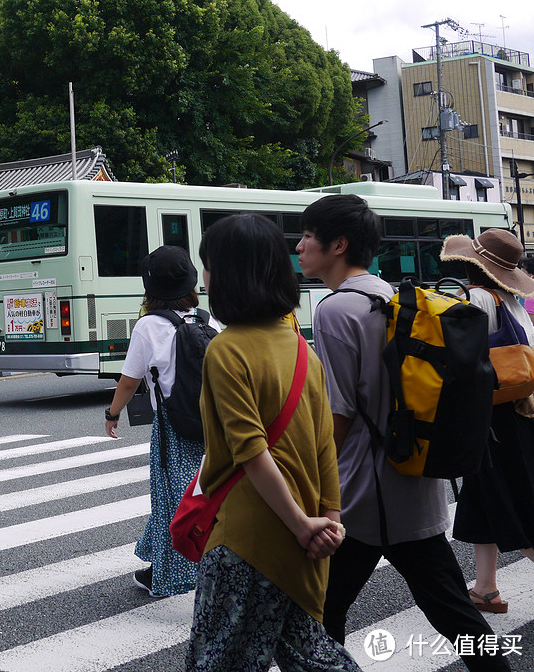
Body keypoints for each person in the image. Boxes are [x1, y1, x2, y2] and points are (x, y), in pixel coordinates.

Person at [298, 193, 509, 672]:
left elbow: (342, 410)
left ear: (338, 245)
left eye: (309, 236)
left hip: (364, 494)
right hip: (414, 476)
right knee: (453, 612)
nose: (300, 247)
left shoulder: (334, 311)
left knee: (321, 612)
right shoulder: (394, 296)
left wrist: (312, 474)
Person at [184, 214, 357, 672]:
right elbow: (324, 446)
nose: (205, 277)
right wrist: (327, 523)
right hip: (305, 537)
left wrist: (304, 525)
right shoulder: (301, 346)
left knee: (219, 659)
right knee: (311, 656)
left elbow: (251, 451)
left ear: (228, 274)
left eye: (209, 265)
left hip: (249, 537)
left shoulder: (226, 349)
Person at [102, 245, 214, 598]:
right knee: (208, 493)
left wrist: (112, 413)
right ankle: (166, 560)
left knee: (173, 499)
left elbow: (129, 380)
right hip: (214, 424)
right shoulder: (209, 320)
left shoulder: (148, 326)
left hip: (173, 426)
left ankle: (173, 573)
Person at [441, 229, 534, 615]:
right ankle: (486, 588)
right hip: (519, 414)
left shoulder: (477, 298)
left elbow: (454, 354)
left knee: (516, 505)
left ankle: (486, 588)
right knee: (482, 500)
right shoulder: (512, 302)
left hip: (496, 421)